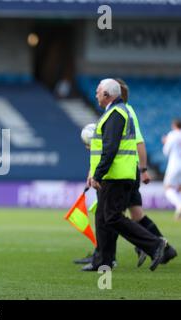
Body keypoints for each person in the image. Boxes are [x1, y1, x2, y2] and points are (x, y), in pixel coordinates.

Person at [76, 79, 177, 269]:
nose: (96, 94)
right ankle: (103, 260)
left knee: (113, 217)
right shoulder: (115, 113)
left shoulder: (117, 114)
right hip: (114, 173)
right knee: (105, 216)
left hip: (117, 174)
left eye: (98, 91)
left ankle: (156, 244)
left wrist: (98, 173)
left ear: (107, 95)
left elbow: (111, 148)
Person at [162, 118, 181, 220]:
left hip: (174, 164)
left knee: (168, 188)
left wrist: (165, 142)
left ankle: (179, 206)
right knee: (179, 188)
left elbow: (166, 151)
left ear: (174, 126)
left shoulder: (172, 135)